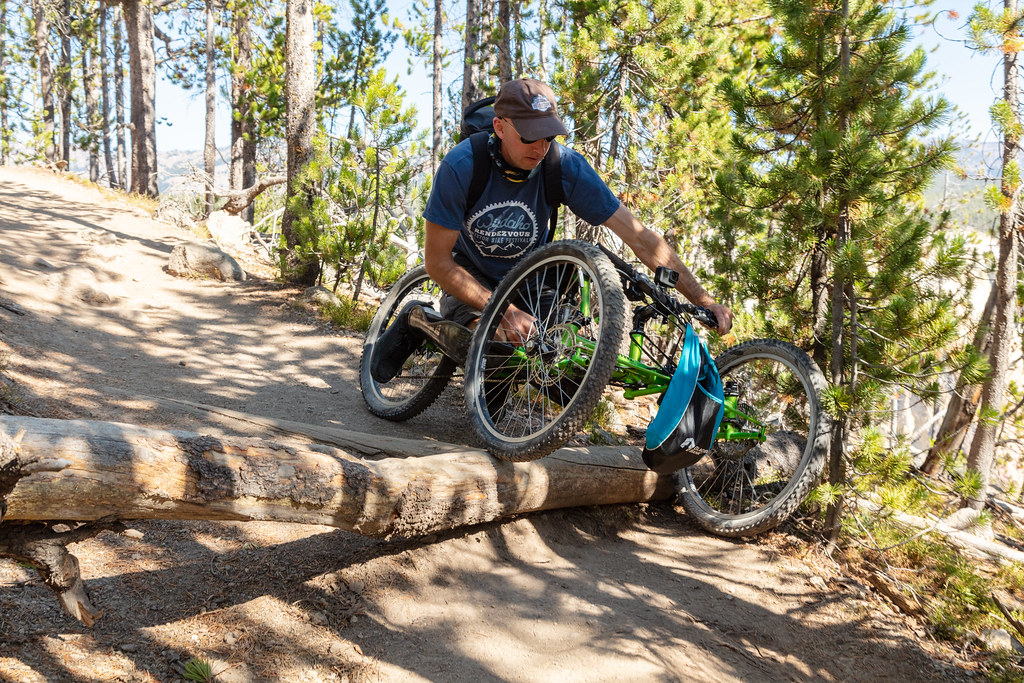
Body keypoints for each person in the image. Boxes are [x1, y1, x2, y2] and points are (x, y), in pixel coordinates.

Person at [371, 78, 732, 382]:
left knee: (562, 372)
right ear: (500, 126)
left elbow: (638, 235)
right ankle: (418, 320)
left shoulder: (564, 166)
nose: (541, 147)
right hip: (470, 271)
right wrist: (503, 310)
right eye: (530, 137)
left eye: (548, 136)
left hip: (529, 276)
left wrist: (702, 298)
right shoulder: (463, 165)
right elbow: (437, 263)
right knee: (488, 348)